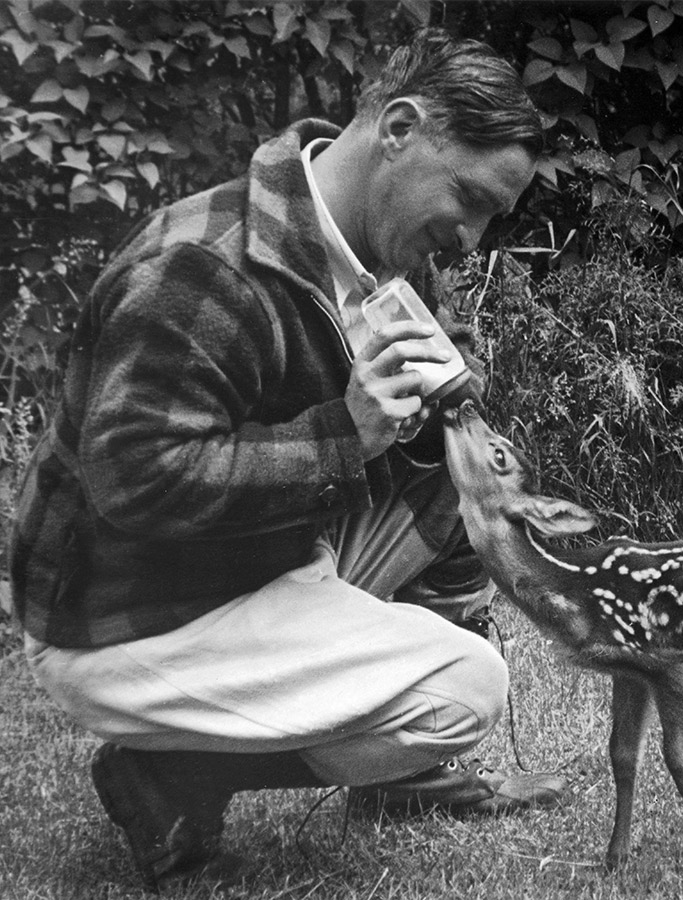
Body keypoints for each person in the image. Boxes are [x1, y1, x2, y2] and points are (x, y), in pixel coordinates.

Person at [10, 26, 567, 891]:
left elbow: (407, 428)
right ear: (400, 129)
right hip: (133, 611)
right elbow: (137, 483)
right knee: (466, 687)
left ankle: (403, 779)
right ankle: (169, 773)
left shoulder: (379, 249)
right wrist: (347, 434)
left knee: (469, 475)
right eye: (471, 197)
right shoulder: (200, 267)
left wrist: (445, 405)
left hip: (260, 556)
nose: (473, 236)